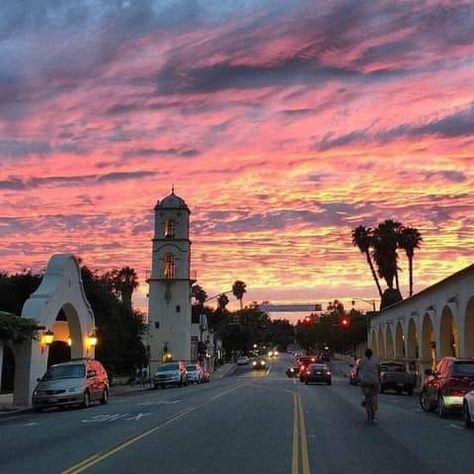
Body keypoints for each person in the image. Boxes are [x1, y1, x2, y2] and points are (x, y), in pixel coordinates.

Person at [357, 348, 380, 412]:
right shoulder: (376, 361)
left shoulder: (362, 361)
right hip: (374, 381)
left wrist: (358, 377)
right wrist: (379, 378)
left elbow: (359, 369)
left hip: (365, 380)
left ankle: (364, 399)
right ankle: (374, 407)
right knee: (375, 393)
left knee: (363, 390)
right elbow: (379, 369)